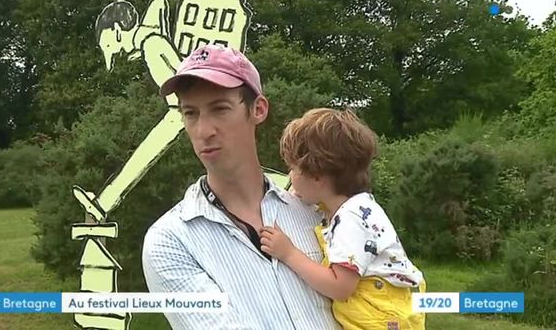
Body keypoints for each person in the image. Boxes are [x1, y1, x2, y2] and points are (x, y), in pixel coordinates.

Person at [141, 44, 340, 330]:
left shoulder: (315, 212)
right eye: (191, 114)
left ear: (258, 109)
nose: (203, 130)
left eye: (219, 109)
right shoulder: (170, 241)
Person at [259, 108, 427, 330]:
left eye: (293, 169)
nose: (290, 177)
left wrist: (289, 253)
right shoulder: (352, 206)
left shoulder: (351, 219)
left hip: (378, 318)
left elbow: (340, 287)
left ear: (317, 177)